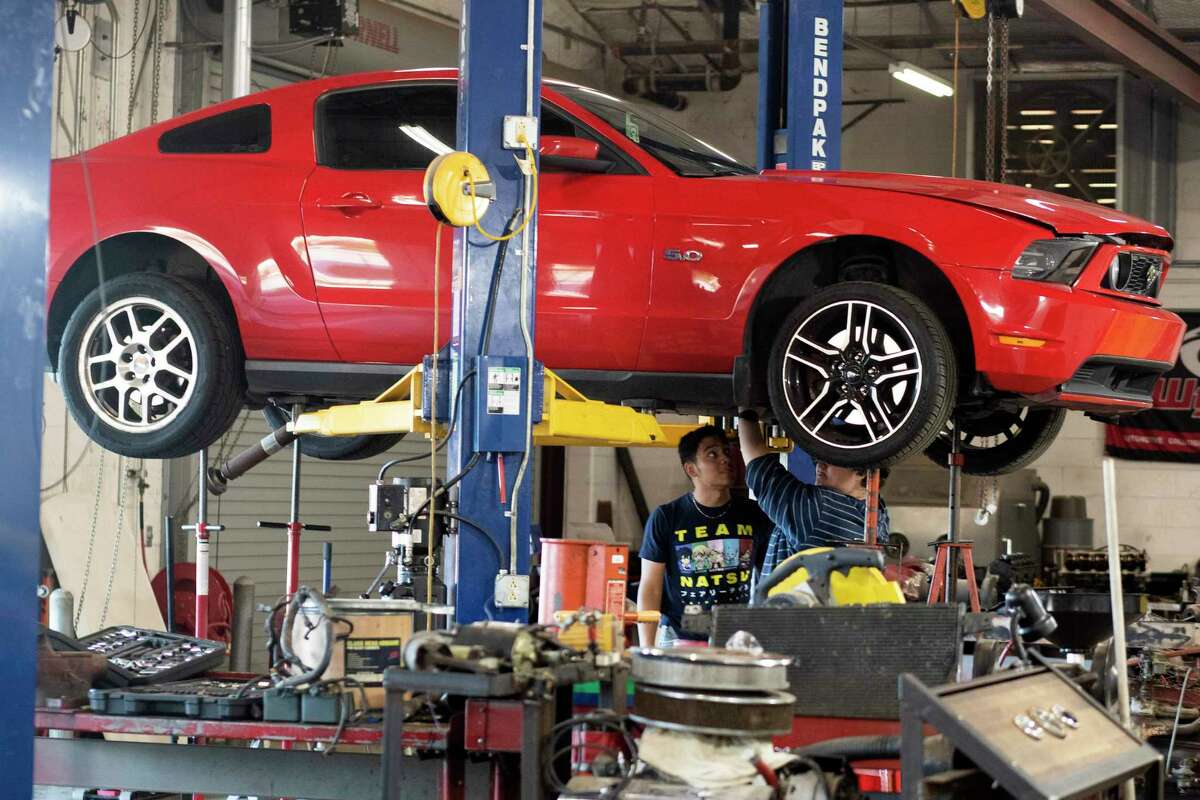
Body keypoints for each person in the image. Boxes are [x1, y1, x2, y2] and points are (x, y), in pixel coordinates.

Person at [637, 424, 774, 647]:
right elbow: (651, 587)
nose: (725, 459)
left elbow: (769, 575)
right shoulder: (667, 517)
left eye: (727, 452)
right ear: (691, 469)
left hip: (736, 639)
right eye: (712, 454)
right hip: (679, 638)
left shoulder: (754, 514)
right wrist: (646, 647)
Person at [736, 410, 890, 579]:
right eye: (819, 457)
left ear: (862, 472)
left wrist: (746, 411)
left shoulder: (821, 508)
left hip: (788, 604)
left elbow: (761, 469)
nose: (820, 464)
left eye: (833, 459)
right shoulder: (877, 512)